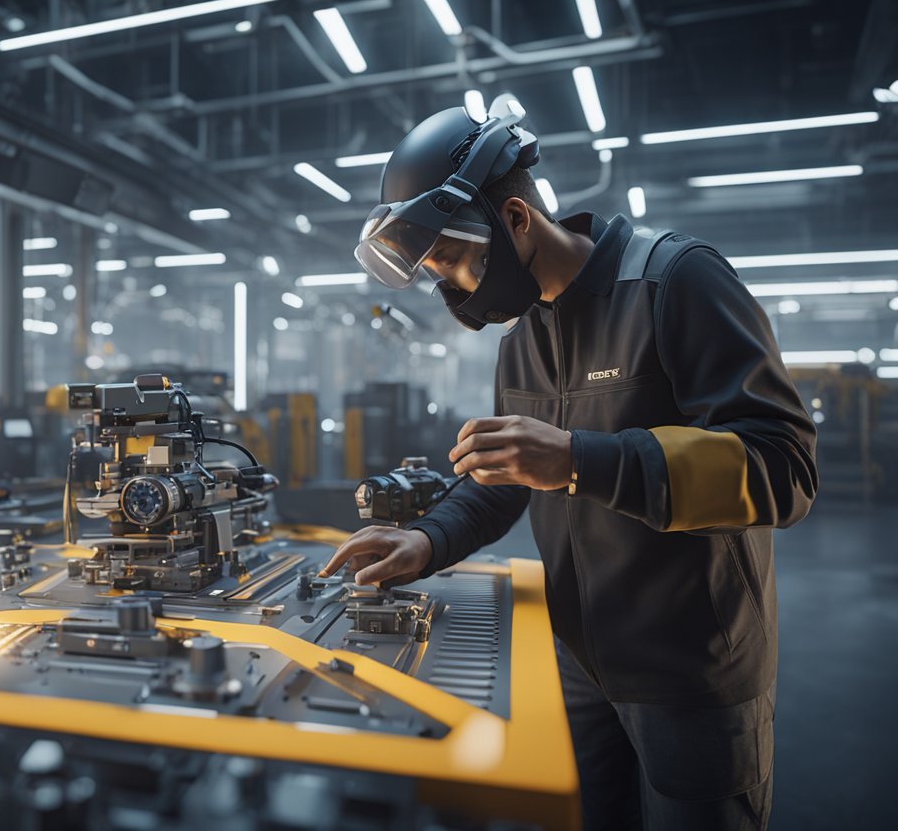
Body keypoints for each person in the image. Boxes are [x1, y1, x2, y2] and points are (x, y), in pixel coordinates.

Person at [319, 94, 817, 830]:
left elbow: (784, 467)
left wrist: (581, 461)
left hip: (690, 667)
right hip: (579, 662)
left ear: (515, 220)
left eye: (454, 258)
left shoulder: (675, 282)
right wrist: (426, 539)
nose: (452, 283)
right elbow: (502, 480)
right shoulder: (523, 339)